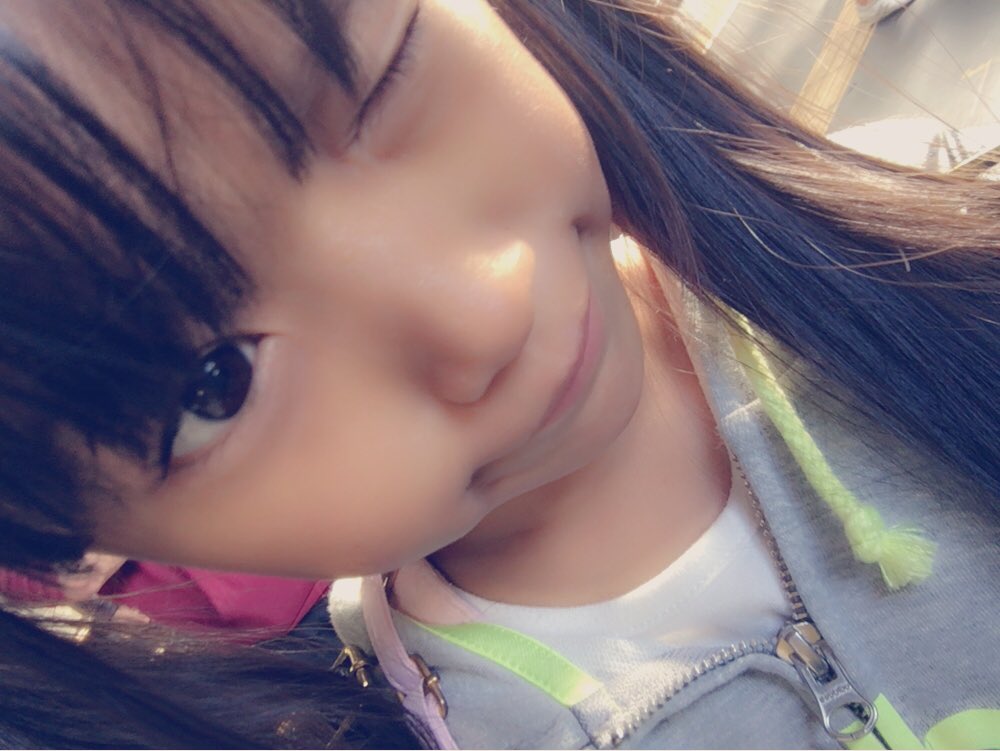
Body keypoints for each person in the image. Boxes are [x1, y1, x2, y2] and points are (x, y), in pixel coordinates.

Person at [0, 0, 995, 748]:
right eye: (215, 385)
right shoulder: (397, 722)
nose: (484, 309)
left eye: (379, 79)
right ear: (61, 543)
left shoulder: (930, 230)